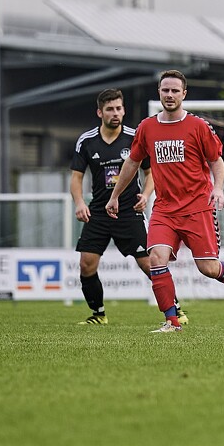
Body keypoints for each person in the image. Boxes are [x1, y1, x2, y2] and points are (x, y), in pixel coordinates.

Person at [106, 71, 224, 333]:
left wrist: (218, 188)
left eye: (174, 91)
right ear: (159, 92)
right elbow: (132, 163)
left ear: (184, 94)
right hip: (164, 209)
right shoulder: (147, 128)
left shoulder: (198, 126)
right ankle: (172, 322)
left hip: (197, 208)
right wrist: (114, 196)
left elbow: (216, 162)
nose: (169, 95)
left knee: (208, 268)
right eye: (165, 90)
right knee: (156, 258)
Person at [69, 88, 157, 326]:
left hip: (129, 211)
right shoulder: (86, 141)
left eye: (119, 108)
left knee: (149, 264)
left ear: (124, 110)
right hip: (98, 212)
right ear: (100, 112)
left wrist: (146, 195)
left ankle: (175, 310)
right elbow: (76, 177)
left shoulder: (135, 137)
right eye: (110, 109)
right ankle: (98, 314)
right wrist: (79, 203)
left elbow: (151, 173)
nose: (115, 113)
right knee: (86, 264)